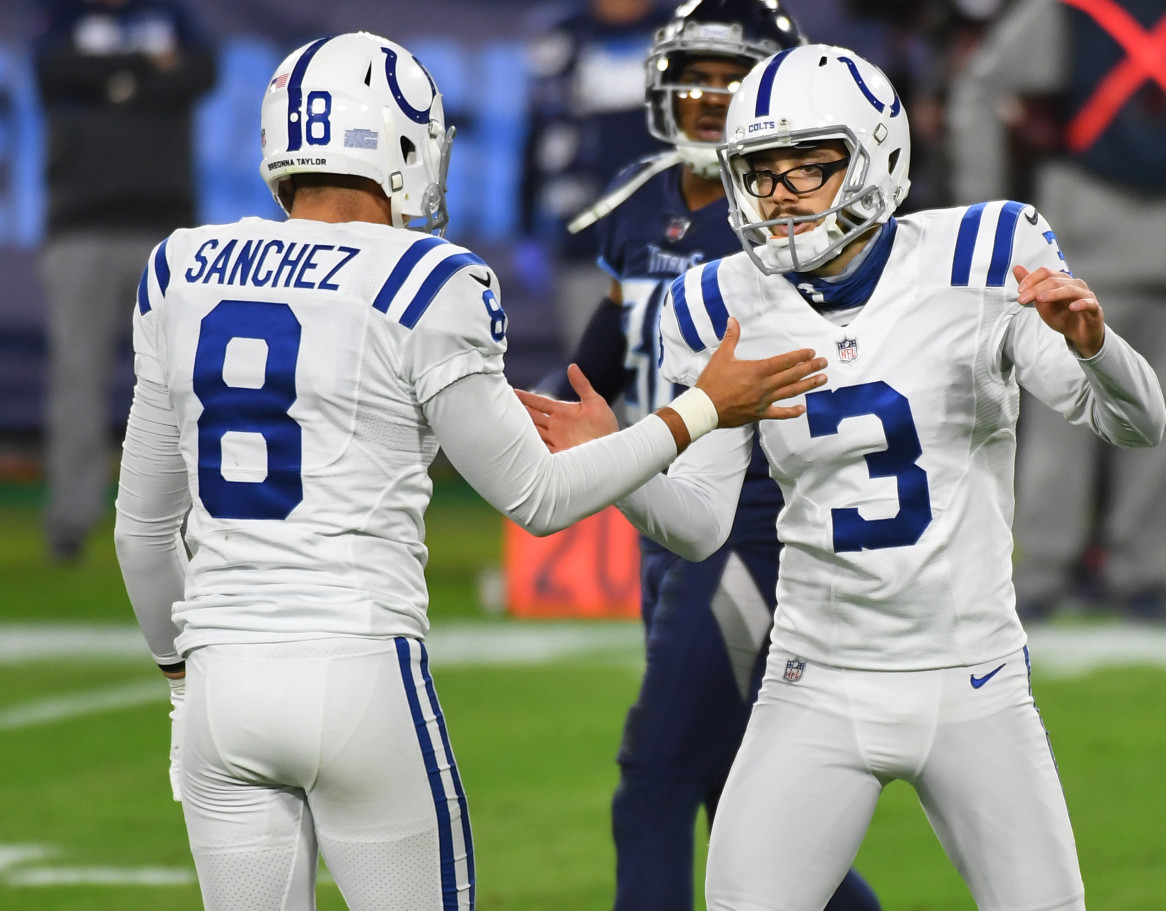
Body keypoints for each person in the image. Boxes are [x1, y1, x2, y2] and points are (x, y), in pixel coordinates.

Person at [111, 31, 827, 911]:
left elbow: (142, 534)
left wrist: (180, 684)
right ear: (400, 144)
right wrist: (700, 410)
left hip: (220, 686)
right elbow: (539, 495)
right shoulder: (426, 278)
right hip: (357, 667)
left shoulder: (182, 268)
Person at [518, 43, 1166, 910]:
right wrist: (620, 461)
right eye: (761, 172)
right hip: (815, 679)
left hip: (971, 678)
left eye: (808, 167)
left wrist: (1093, 345)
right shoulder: (717, 302)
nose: (780, 194)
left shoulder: (982, 256)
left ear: (876, 157)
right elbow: (701, 523)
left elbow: (1138, 422)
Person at [542, 3, 879, 909]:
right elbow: (609, 342)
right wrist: (540, 413)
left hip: (751, 518)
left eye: (735, 81)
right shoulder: (637, 198)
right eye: (695, 76)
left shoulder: (791, 215)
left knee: (656, 776)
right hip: (666, 509)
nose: (711, 97)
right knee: (728, 784)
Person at [947, 0, 1166, 622]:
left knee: (1099, 418)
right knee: (1102, 417)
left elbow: (979, 91)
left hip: (1116, 233)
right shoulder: (1063, 12)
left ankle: (1081, 574)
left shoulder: (1066, 11)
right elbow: (982, 91)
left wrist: (985, 213)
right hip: (1130, 238)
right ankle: (1104, 575)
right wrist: (988, 213)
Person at [33, 0, 215, 561]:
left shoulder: (171, 14)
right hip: (80, 227)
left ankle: (192, 523)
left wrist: (107, 80)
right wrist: (144, 68)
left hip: (165, 229)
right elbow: (51, 71)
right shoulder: (64, 18)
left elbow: (203, 71)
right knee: (77, 380)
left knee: (185, 380)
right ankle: (71, 520)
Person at [519, 0, 673, 352]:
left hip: (674, 240)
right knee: (591, 368)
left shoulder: (683, 31)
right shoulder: (562, 37)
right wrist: (527, 227)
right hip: (585, 242)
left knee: (675, 365)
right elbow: (539, 133)